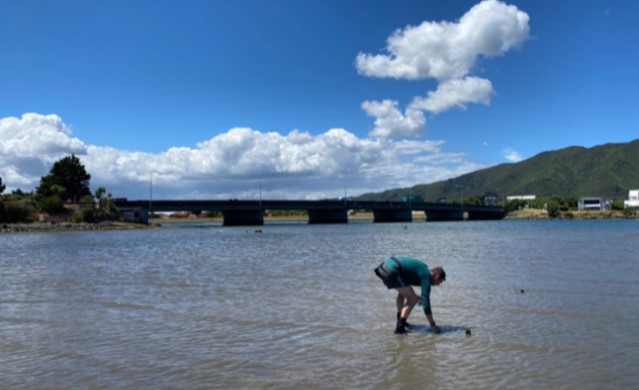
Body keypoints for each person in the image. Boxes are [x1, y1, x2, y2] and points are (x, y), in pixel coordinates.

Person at [374, 256, 446, 334]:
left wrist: (421, 299)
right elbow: (426, 304)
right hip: (392, 269)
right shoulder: (426, 276)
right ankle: (399, 328)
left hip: (383, 267)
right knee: (413, 299)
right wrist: (432, 325)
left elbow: (407, 292)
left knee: (403, 294)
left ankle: (401, 321)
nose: (437, 285)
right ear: (437, 277)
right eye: (439, 282)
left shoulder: (423, 269)